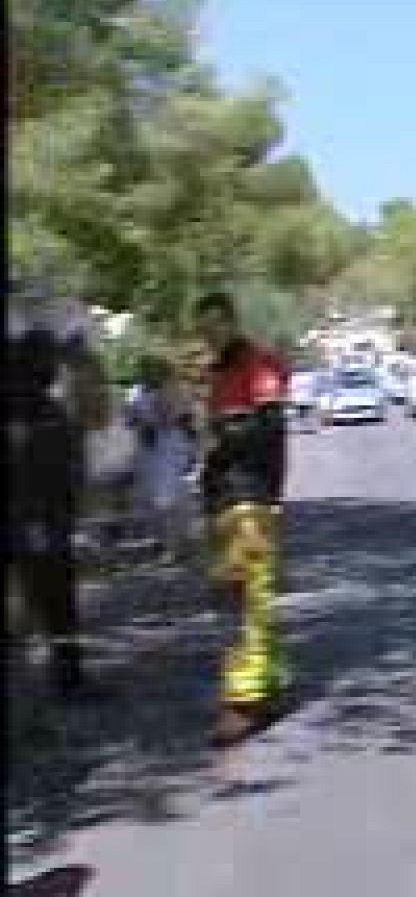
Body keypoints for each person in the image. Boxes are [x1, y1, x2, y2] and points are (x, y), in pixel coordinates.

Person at [193, 289, 291, 746]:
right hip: (224, 500)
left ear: (232, 322)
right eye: (204, 328)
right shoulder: (215, 373)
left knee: (243, 602)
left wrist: (221, 436)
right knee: (249, 599)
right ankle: (269, 685)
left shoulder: (259, 366)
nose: (210, 335)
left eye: (216, 325)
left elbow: (270, 434)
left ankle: (243, 704)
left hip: (249, 497)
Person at [6, 314, 102, 701]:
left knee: (47, 601)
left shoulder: (42, 410)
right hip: (39, 522)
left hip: (41, 520)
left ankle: (61, 676)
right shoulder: (39, 412)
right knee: (56, 600)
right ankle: (67, 678)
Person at [126, 354, 197, 562]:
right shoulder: (136, 392)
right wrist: (138, 421)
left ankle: (174, 546)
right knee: (151, 498)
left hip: (170, 447)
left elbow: (178, 419)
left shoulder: (175, 389)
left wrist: (159, 405)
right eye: (143, 370)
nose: (145, 374)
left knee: (168, 499)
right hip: (148, 449)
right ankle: (164, 541)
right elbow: (129, 419)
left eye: (148, 369)